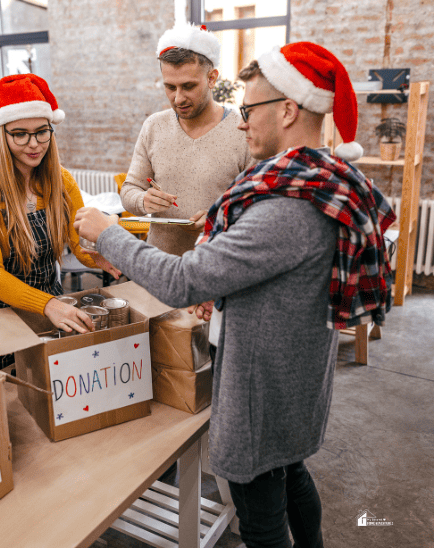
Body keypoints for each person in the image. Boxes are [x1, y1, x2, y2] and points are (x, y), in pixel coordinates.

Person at [75, 42, 395, 548]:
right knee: (290, 474)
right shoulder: (314, 180)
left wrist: (108, 232)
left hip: (265, 383)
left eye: (249, 110)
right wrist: (222, 287)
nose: (242, 123)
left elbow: (182, 281)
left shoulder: (288, 206)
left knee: (261, 513)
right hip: (293, 369)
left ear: (288, 109)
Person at [0, 73, 119, 369]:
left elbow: (79, 245)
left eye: (41, 132)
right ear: (1, 135)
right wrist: (49, 305)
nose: (33, 144)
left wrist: (102, 257)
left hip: (48, 309)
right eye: (20, 134)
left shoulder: (61, 181)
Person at [120, 23, 254, 256]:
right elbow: (129, 190)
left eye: (188, 86)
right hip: (158, 264)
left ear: (212, 78)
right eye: (170, 87)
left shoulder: (243, 131)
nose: (178, 97)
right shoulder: (154, 126)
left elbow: (258, 208)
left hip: (217, 266)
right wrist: (143, 201)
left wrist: (220, 217)